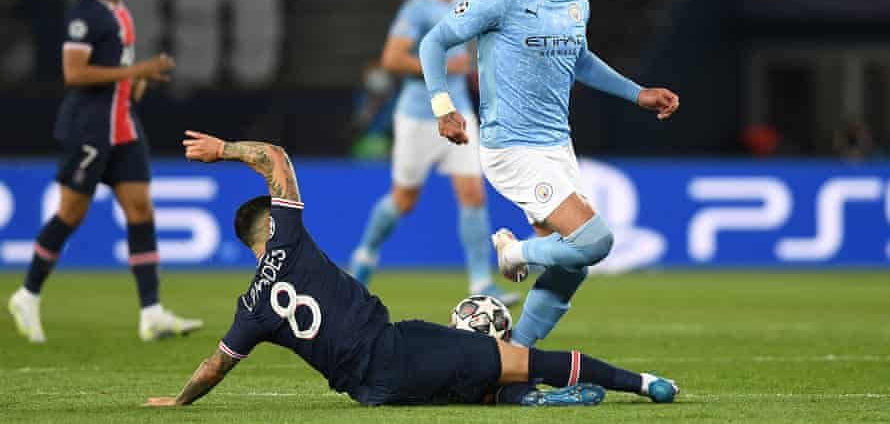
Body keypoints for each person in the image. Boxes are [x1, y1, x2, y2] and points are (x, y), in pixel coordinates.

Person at [142, 130, 678, 408]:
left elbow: (215, 366)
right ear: (270, 222)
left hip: (373, 391)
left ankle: (530, 399)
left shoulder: (252, 308)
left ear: (246, 244)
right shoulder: (290, 239)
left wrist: (179, 399)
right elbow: (276, 159)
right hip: (396, 347)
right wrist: (225, 151)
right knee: (523, 357)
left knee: (481, 386)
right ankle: (645, 382)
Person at [418, 0, 680, 348]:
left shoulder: (577, 1)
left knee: (572, 266)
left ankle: (514, 357)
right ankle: (513, 252)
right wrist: (444, 108)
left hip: (558, 147)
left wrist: (639, 94)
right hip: (512, 149)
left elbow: (579, 60)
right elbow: (434, 42)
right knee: (595, 241)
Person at [7, 0, 202, 343]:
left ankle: (151, 313)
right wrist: (135, 72)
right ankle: (27, 294)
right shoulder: (84, 14)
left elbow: (120, 74)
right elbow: (74, 73)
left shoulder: (121, 13)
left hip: (123, 127)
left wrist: (138, 81)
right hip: (90, 129)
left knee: (141, 209)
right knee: (71, 214)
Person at [348, 0, 517, 306]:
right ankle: (365, 255)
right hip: (417, 118)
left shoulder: (467, 6)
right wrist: (440, 66)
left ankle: (480, 282)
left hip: (459, 114)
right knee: (404, 200)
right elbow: (391, 59)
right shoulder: (417, 8)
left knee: (473, 193)